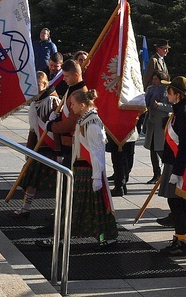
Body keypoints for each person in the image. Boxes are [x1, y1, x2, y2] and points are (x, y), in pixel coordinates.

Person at [60, 89, 118, 248]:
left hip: (89, 171)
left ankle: (106, 236)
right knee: (82, 206)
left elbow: (97, 152)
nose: (71, 107)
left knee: (95, 206)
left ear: (83, 105)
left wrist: (97, 177)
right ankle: (67, 236)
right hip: (81, 169)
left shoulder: (92, 125)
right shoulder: (83, 121)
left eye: (73, 104)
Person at [158, 76, 186, 257]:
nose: (167, 94)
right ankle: (184, 239)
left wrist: (176, 172)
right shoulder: (181, 110)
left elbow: (185, 145)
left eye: (170, 91)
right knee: (178, 204)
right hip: (175, 163)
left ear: (178, 94)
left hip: (179, 165)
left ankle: (181, 243)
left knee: (176, 203)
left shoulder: (184, 113)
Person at [11, 71, 60, 219]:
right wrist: (29, 149)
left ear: (45, 84)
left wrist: (59, 151)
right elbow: (33, 130)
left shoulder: (54, 102)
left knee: (59, 184)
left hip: (53, 149)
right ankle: (25, 209)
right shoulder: (34, 103)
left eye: (37, 85)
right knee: (30, 178)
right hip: (40, 148)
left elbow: (58, 129)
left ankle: (59, 212)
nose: (34, 88)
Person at [144, 71, 171, 186]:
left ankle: (168, 173)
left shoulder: (167, 91)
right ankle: (157, 174)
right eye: (153, 79)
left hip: (161, 125)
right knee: (152, 150)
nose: (154, 81)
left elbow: (172, 107)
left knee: (161, 151)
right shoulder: (150, 90)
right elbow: (147, 106)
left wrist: (159, 105)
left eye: (156, 79)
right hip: (151, 124)